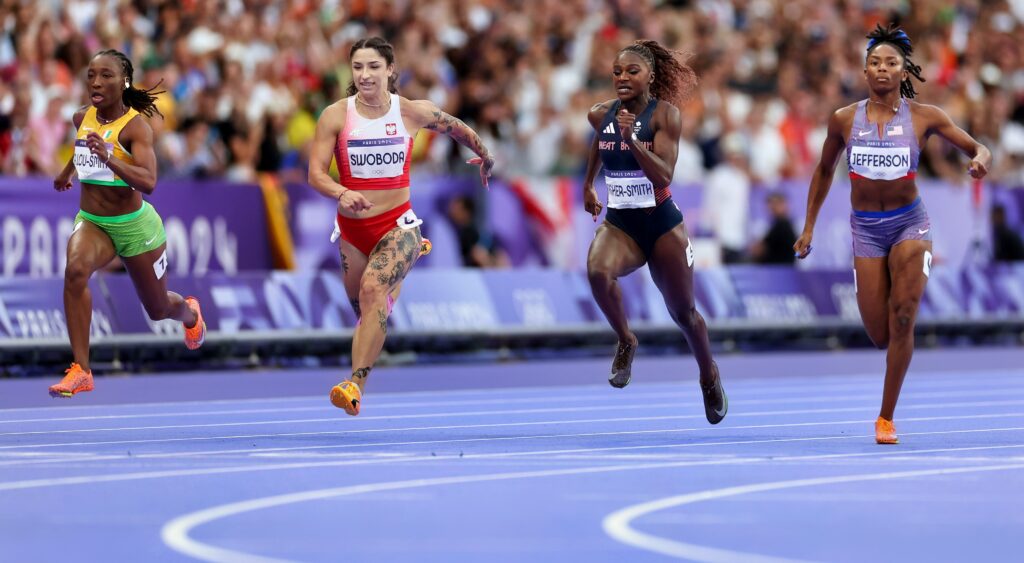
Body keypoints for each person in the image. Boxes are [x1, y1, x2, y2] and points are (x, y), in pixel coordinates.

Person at [794, 25, 991, 444]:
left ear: (904, 72)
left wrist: (979, 160)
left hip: (909, 224)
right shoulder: (844, 120)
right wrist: (809, 225)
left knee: (903, 318)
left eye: (891, 63)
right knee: (879, 333)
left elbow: (978, 148)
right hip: (865, 229)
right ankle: (892, 363)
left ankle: (886, 417)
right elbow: (825, 170)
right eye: (875, 63)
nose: (882, 69)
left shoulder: (925, 117)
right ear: (865, 71)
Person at [308, 37, 494, 416]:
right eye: (358, 67)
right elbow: (314, 175)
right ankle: (393, 285)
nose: (365, 75)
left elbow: (455, 127)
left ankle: (354, 385)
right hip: (353, 231)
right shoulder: (334, 115)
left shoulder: (409, 111)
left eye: (374, 66)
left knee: (374, 289)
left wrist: (484, 154)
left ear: (390, 70)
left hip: (398, 225)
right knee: (364, 308)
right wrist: (341, 192)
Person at [582, 40, 728, 425]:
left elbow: (664, 175)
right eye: (617, 71)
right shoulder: (600, 114)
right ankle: (626, 339)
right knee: (597, 270)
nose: (622, 78)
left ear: (650, 76)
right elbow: (600, 142)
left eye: (632, 71)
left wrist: (631, 140)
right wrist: (588, 184)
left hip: (662, 225)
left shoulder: (667, 116)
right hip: (621, 223)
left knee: (685, 313)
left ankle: (708, 374)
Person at [48, 49, 206, 398]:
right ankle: (81, 370)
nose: (96, 82)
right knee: (75, 271)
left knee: (158, 307)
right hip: (93, 221)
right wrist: (65, 173)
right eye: (91, 75)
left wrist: (110, 157)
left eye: (105, 75)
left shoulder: (137, 128)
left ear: (124, 82)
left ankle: (190, 313)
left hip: (135, 225)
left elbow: (148, 181)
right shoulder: (81, 117)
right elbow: (81, 150)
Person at [753, 192, 798, 264]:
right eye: (770, 204)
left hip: (778, 270)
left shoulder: (783, 225)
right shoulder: (778, 224)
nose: (772, 207)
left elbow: (760, 251)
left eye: (776, 204)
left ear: (784, 205)